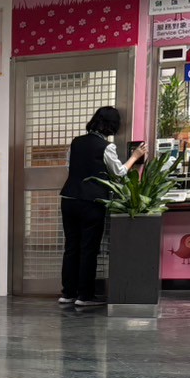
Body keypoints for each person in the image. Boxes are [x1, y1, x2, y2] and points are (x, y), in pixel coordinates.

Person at [60, 106, 145, 308]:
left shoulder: (75, 142)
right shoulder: (106, 146)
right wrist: (135, 156)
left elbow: (69, 167)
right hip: (92, 202)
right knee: (88, 248)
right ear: (112, 125)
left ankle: (68, 293)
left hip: (69, 199)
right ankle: (84, 296)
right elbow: (119, 173)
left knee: (71, 247)